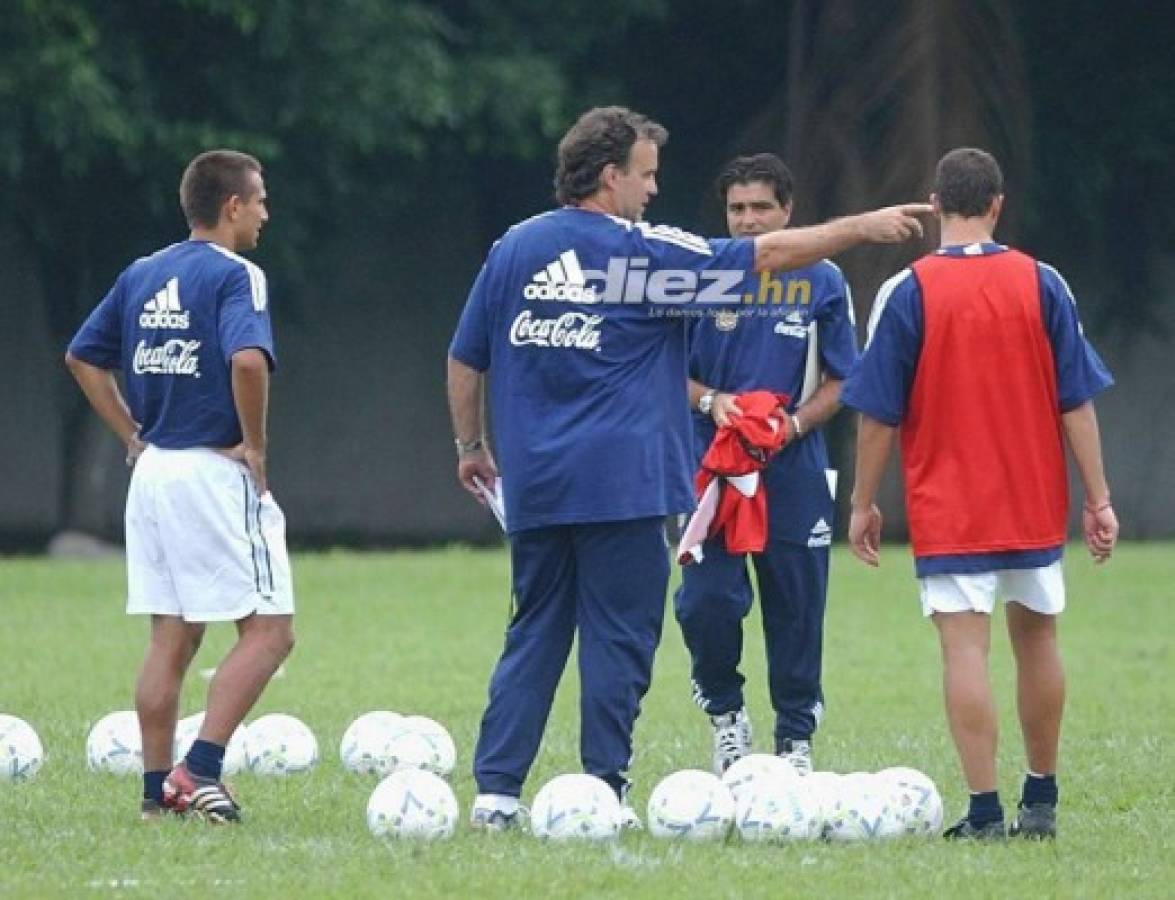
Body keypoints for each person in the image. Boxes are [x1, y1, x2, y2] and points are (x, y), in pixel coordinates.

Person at [447, 105, 931, 831]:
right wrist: (862, 228)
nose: (651, 190)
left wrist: (470, 448)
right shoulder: (643, 260)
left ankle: (495, 795)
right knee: (618, 636)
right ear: (610, 177)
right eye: (645, 176)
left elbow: (465, 356)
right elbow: (761, 260)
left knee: (535, 630)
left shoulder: (513, 249)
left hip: (538, 484)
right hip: (623, 485)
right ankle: (602, 791)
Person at [841, 148, 1117, 840]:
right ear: (997, 204)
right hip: (1030, 493)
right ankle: (1042, 800)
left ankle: (986, 812)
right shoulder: (1042, 281)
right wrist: (1098, 498)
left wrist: (861, 503)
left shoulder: (905, 290)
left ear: (935, 205)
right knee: (1038, 637)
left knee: (965, 650)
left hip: (949, 501)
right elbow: (1075, 401)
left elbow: (877, 415)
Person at [65, 150, 295, 823]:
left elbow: (81, 355)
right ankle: (199, 771)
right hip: (209, 473)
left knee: (173, 637)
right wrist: (253, 445)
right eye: (259, 201)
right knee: (271, 632)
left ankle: (153, 794)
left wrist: (131, 433)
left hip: (154, 472)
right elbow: (249, 361)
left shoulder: (142, 273)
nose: (264, 214)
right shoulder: (236, 275)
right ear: (231, 206)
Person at [675, 154, 858, 775]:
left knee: (798, 605)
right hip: (710, 465)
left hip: (794, 463)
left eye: (760, 208)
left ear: (788, 211)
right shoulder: (697, 273)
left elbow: (842, 380)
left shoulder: (823, 278)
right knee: (704, 602)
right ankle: (726, 716)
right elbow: (661, 371)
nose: (748, 221)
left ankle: (796, 738)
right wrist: (713, 401)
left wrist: (794, 423)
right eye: (736, 209)